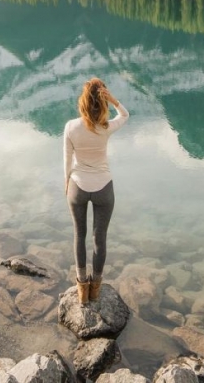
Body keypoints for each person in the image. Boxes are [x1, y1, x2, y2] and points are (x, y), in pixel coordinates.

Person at [63, 77, 129, 304]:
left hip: (77, 186)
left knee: (79, 235)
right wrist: (113, 99)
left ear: (82, 102)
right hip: (103, 187)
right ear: (102, 103)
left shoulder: (71, 127)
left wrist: (66, 183)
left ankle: (82, 288)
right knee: (99, 238)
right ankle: (96, 288)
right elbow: (125, 115)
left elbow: (67, 159)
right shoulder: (106, 127)